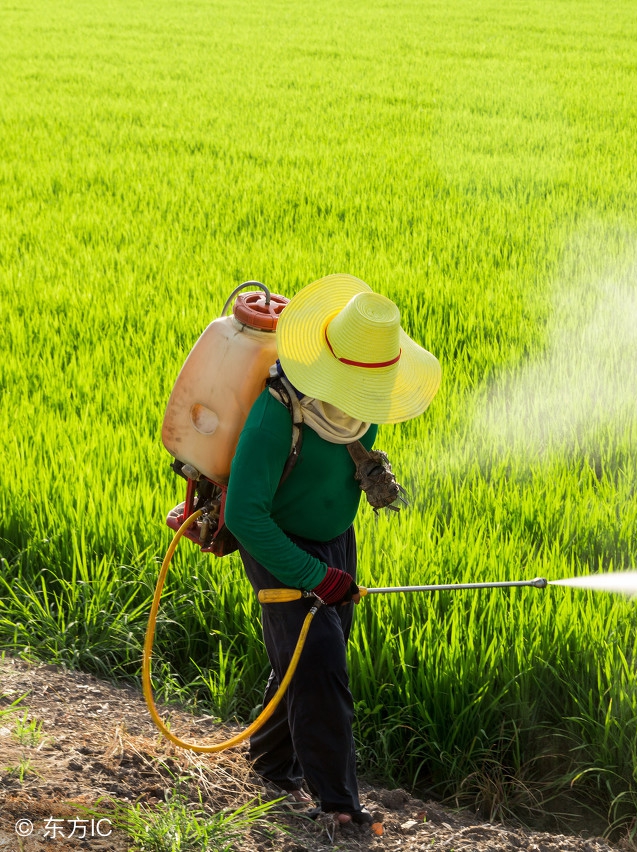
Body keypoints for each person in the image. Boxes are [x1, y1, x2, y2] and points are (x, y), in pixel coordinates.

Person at [224, 273, 441, 825]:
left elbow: (335, 462)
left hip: (337, 541)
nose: (370, 396)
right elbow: (243, 515)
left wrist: (367, 469)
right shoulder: (276, 414)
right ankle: (339, 804)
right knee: (320, 661)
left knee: (310, 655)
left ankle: (271, 764)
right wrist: (313, 576)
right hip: (278, 543)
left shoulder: (362, 408)